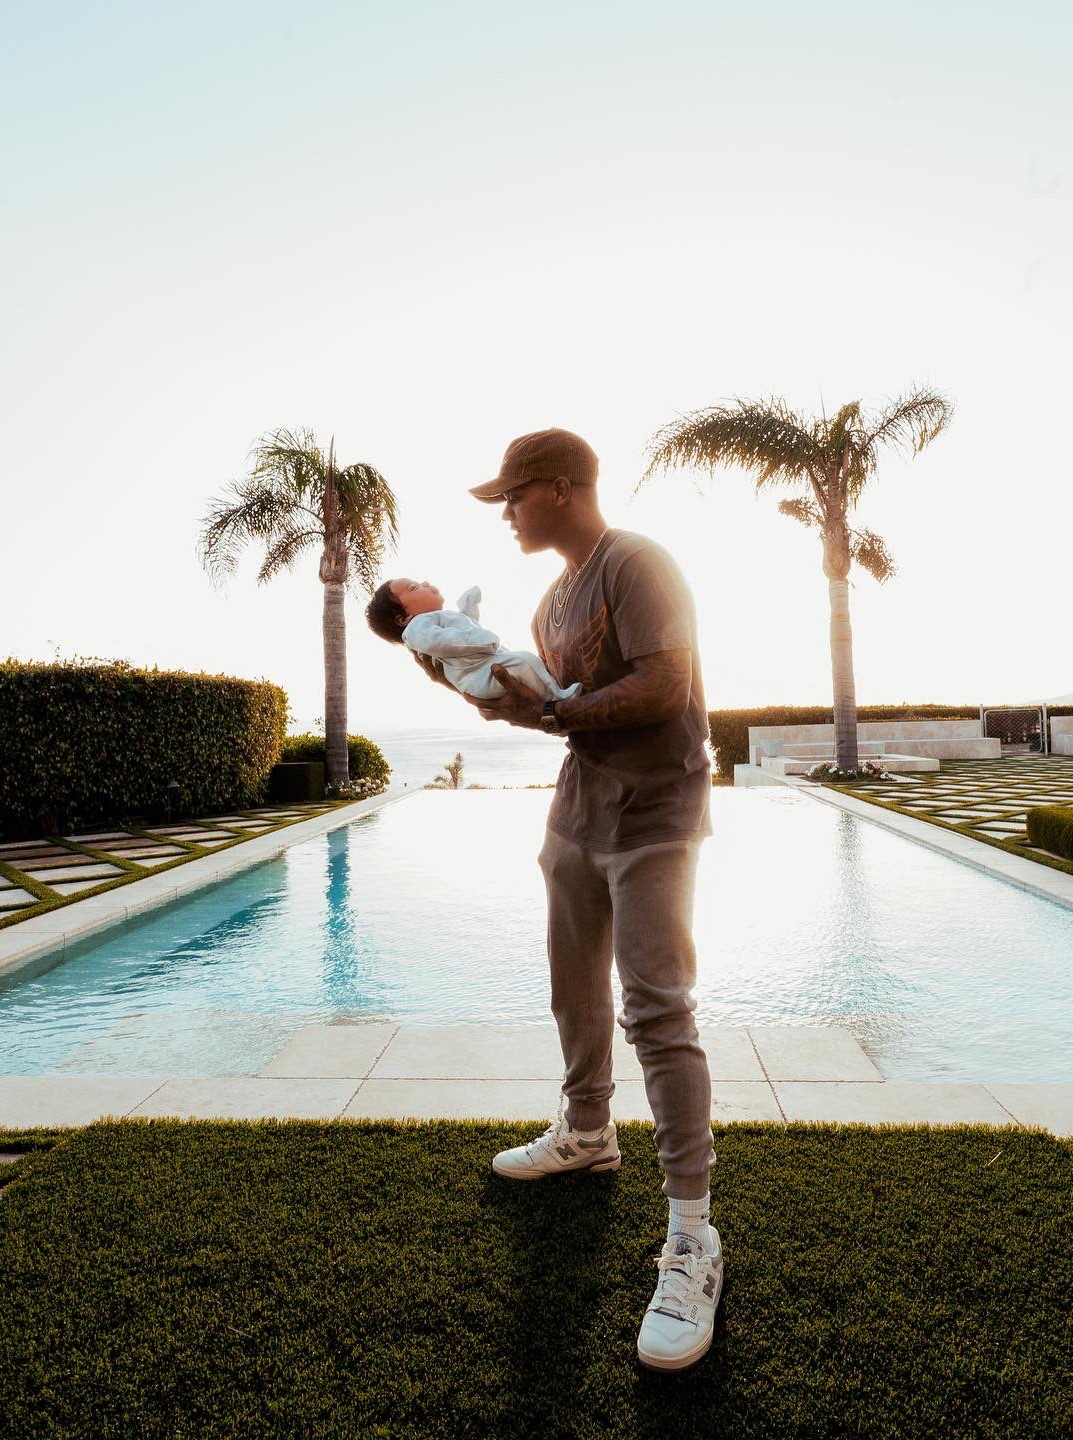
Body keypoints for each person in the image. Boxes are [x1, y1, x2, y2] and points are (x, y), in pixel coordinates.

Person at [414, 426, 721, 1372]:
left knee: (657, 1010)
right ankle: (588, 1131)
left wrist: (549, 708)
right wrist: (496, 695)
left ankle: (692, 1234)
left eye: (512, 495)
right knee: (572, 988)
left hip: (656, 812)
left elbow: (663, 686)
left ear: (558, 487)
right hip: (579, 810)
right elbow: (564, 709)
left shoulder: (637, 563)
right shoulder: (551, 601)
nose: (505, 513)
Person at [365, 578, 580, 703]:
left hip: (485, 667)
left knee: (526, 662)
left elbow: (467, 626)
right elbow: (445, 642)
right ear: (403, 618)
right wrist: (482, 640)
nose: (426, 583)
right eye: (414, 587)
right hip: (480, 676)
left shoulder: (439, 619)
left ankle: (555, 692)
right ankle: (557, 698)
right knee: (524, 661)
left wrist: (469, 606)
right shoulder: (416, 629)